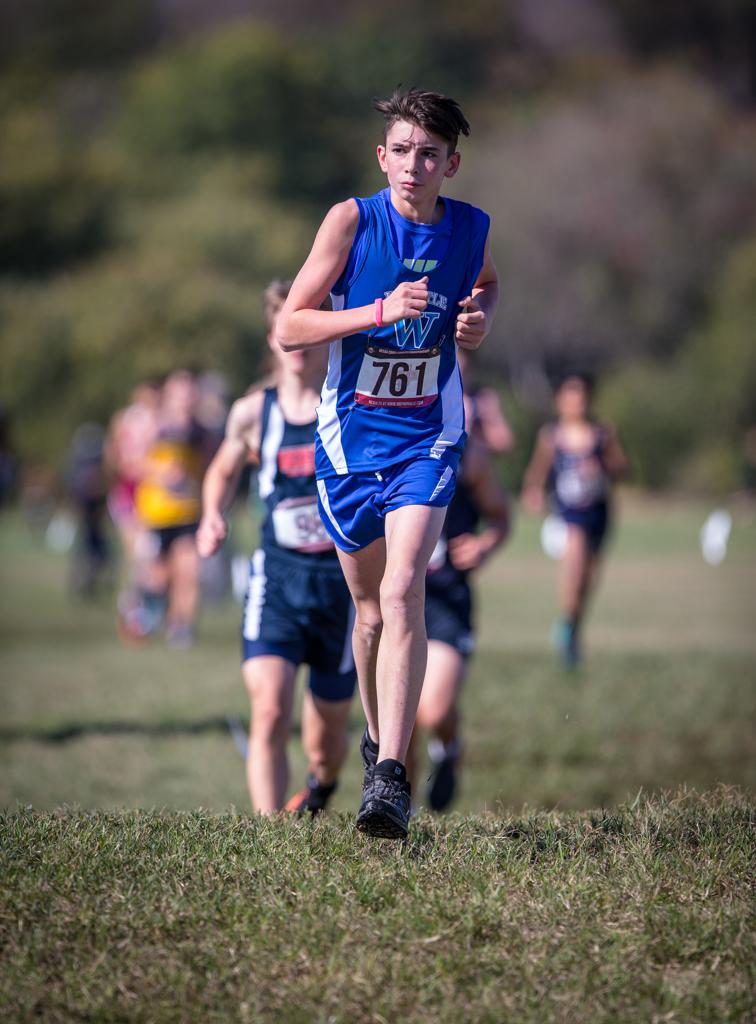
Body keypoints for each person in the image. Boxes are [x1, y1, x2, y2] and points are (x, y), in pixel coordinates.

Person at [276, 88, 499, 838]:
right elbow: (290, 326)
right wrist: (376, 311)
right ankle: (379, 747)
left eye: (429, 154)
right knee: (368, 610)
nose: (414, 165)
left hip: (428, 436)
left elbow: (488, 286)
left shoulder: (469, 228)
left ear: (451, 163)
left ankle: (393, 778)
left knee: (405, 589)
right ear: (383, 156)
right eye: (402, 151)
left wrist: (477, 319)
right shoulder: (351, 220)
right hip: (347, 441)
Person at [196, 282, 357, 816]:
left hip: (341, 587)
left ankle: (320, 788)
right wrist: (213, 514)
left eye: (312, 328)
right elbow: (221, 471)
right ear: (274, 336)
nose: (299, 344)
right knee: (268, 710)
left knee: (327, 741)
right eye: (289, 329)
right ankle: (269, 835)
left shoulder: (351, 407)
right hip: (277, 581)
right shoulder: (252, 413)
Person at [410, 434, 510, 811]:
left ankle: (449, 747)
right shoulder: (384, 438)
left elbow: (501, 517)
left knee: (432, 710)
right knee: (400, 714)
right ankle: (405, 804)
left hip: (446, 600)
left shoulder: (468, 454)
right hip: (397, 600)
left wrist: (485, 544)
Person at [521, 372, 627, 668]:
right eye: (570, 397)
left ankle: (572, 626)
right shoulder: (551, 434)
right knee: (575, 559)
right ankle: (568, 621)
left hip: (599, 512)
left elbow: (621, 468)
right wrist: (533, 492)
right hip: (567, 513)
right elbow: (538, 470)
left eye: (581, 397)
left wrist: (603, 466)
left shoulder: (603, 433)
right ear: (560, 401)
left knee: (589, 577)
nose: (576, 403)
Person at [134, 369, 215, 648]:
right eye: (180, 391)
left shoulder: (201, 430)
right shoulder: (154, 425)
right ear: (168, 394)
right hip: (156, 513)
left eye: (190, 391)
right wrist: (162, 474)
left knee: (189, 570)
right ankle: (144, 606)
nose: (186, 397)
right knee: (158, 577)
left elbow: (210, 468)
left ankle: (182, 627)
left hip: (188, 512)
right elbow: (131, 462)